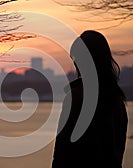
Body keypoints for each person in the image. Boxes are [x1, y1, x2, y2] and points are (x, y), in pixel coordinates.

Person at [52, 30, 128, 168]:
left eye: (77, 58)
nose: (75, 63)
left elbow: (62, 150)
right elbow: (119, 149)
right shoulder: (117, 100)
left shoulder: (76, 98)